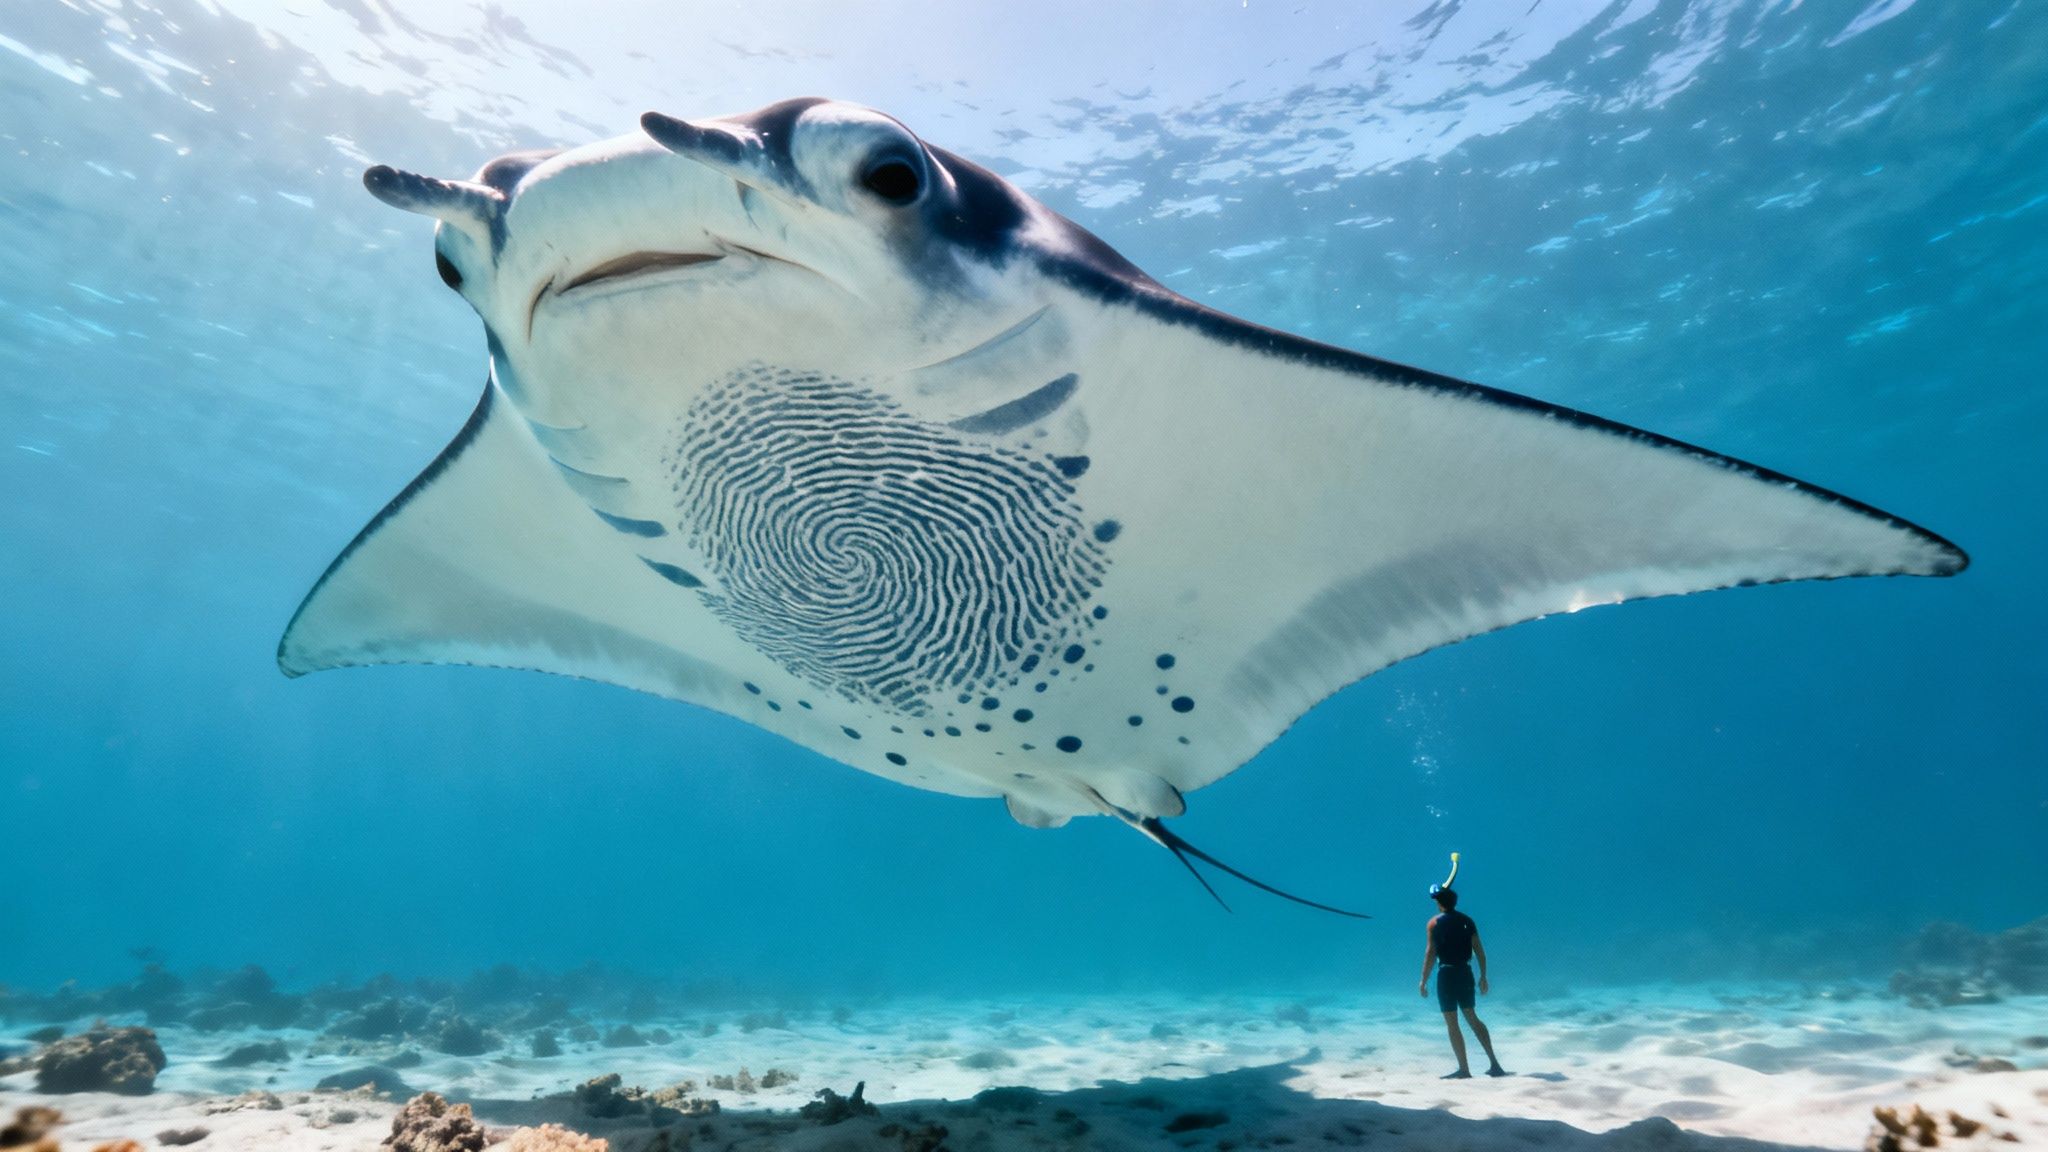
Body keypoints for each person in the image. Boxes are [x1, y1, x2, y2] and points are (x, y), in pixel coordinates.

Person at [1419, 866, 1506, 1079]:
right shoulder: (1467, 921)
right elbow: (1480, 952)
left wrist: (1423, 980)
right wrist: (1483, 976)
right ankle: (1495, 1064)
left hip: (1447, 974)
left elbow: (1430, 953)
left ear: (1439, 903)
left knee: (1452, 1022)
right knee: (1472, 1017)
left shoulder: (1434, 923)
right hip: (1465, 973)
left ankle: (1464, 1069)